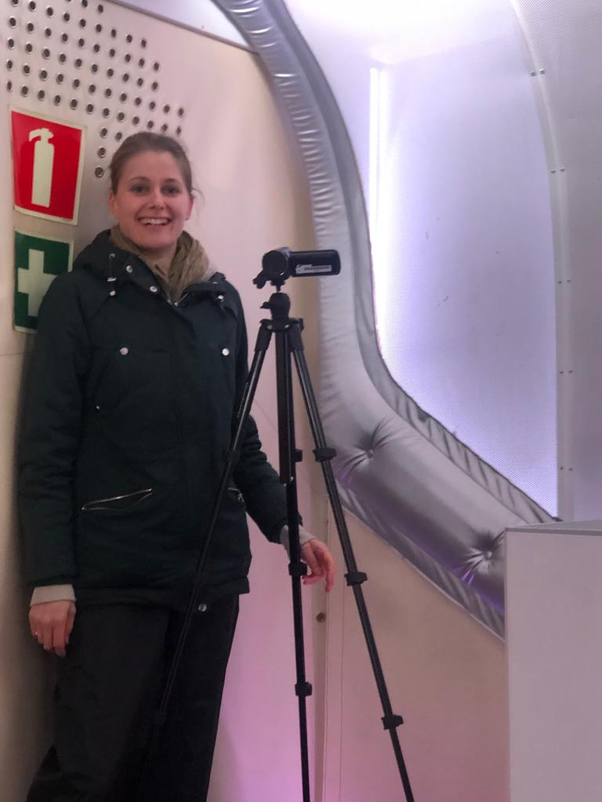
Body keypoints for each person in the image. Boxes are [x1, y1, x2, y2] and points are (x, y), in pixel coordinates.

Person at [18, 132, 335, 802]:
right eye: (140, 188)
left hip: (208, 577)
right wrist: (50, 578)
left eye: (170, 189)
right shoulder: (78, 298)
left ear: (191, 201)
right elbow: (46, 448)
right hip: (115, 579)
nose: (156, 202)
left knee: (181, 769)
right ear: (114, 201)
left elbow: (238, 441)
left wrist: (288, 526)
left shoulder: (221, 304)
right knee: (89, 771)